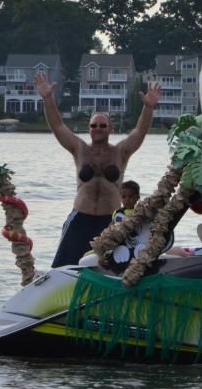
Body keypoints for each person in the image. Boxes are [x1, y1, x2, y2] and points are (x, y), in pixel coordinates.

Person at [35, 72, 160, 267]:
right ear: (89, 128)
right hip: (80, 218)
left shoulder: (121, 152)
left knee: (113, 266)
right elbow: (58, 126)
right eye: (94, 125)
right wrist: (48, 98)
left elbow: (139, 131)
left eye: (103, 125)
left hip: (110, 221)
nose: (98, 128)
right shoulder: (79, 149)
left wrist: (148, 107)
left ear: (111, 128)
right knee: (63, 266)